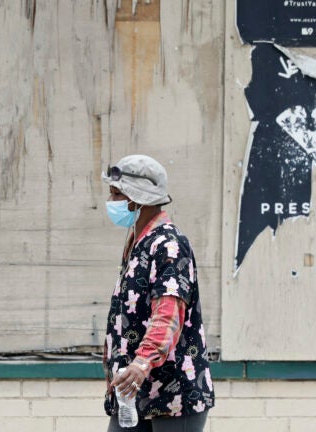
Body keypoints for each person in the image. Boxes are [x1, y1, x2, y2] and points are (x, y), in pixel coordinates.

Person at [102, 155, 214, 431]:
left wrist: (142, 363)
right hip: (132, 391)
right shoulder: (139, 243)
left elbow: (168, 314)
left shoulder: (168, 245)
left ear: (137, 199)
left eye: (117, 193)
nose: (111, 200)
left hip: (173, 393)